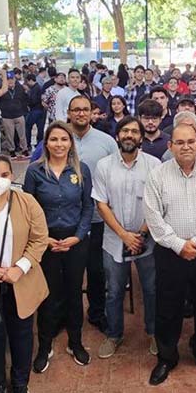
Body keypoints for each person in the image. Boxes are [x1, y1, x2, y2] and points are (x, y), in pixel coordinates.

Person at [143, 123, 196, 385]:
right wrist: (179, 245)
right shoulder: (157, 176)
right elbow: (153, 217)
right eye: (180, 142)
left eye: (191, 141)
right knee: (168, 307)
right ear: (170, 146)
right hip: (171, 253)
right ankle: (167, 357)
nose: (186, 147)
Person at [0, 155, 49, 393]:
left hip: (21, 281)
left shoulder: (27, 202)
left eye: (4, 175)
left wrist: (21, 267)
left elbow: (40, 238)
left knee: (22, 336)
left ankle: (20, 384)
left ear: (12, 176)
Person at [24, 121, 95, 372]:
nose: (59, 144)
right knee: (48, 294)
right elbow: (28, 209)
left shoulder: (81, 170)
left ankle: (75, 342)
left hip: (75, 240)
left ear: (70, 143)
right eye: (54, 139)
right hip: (46, 241)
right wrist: (43, 239)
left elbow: (88, 207)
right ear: (46, 143)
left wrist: (78, 236)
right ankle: (45, 346)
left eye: (64, 139)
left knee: (74, 293)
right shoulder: (34, 171)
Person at [93, 116, 161, 359]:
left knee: (151, 289)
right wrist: (124, 235)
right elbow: (101, 203)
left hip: (147, 238)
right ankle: (114, 335)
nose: (129, 135)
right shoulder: (104, 166)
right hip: (114, 239)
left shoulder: (154, 165)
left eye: (134, 131)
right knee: (114, 290)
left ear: (141, 137)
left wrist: (140, 233)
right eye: (124, 131)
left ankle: (153, 332)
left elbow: (159, 203)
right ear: (117, 136)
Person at [65, 95, 121, 333]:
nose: (80, 113)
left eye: (85, 109)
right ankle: (65, 315)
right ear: (69, 113)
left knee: (96, 270)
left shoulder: (106, 142)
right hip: (67, 217)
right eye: (76, 109)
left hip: (99, 217)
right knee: (67, 271)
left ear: (92, 113)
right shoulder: (58, 138)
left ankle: (97, 312)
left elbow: (117, 173)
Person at [0, 73, 29, 159]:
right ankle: (11, 150)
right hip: (7, 116)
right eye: (8, 79)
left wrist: (22, 109)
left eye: (12, 79)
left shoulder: (20, 88)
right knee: (9, 135)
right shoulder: (1, 90)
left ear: (15, 80)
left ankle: (24, 149)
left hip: (19, 114)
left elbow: (24, 99)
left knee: (22, 134)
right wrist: (3, 109)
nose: (10, 81)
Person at [24, 74, 45, 156]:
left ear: (30, 80)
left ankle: (28, 143)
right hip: (41, 110)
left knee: (28, 126)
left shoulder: (34, 89)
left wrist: (27, 95)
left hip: (34, 110)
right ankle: (39, 144)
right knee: (40, 128)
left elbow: (33, 100)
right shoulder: (39, 87)